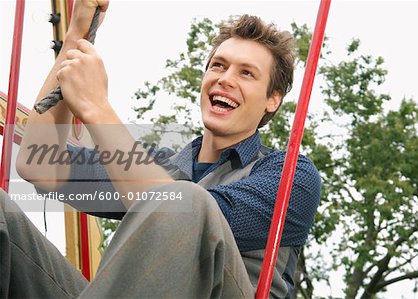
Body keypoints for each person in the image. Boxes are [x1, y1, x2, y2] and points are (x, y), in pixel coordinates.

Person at [1, 0, 321, 297]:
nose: (225, 78)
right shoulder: (156, 166)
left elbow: (180, 210)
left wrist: (97, 109)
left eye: (246, 73)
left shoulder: (290, 175)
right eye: (218, 66)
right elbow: (37, 163)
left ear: (272, 99)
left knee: (184, 200)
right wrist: (77, 34)